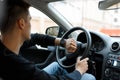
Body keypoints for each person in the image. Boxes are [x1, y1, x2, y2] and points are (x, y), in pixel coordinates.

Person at [0, 0, 96, 80]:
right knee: (89, 77)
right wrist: (79, 70)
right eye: (29, 20)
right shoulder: (17, 65)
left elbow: (36, 38)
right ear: (21, 23)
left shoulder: (5, 49)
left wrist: (63, 42)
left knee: (56, 66)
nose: (31, 25)